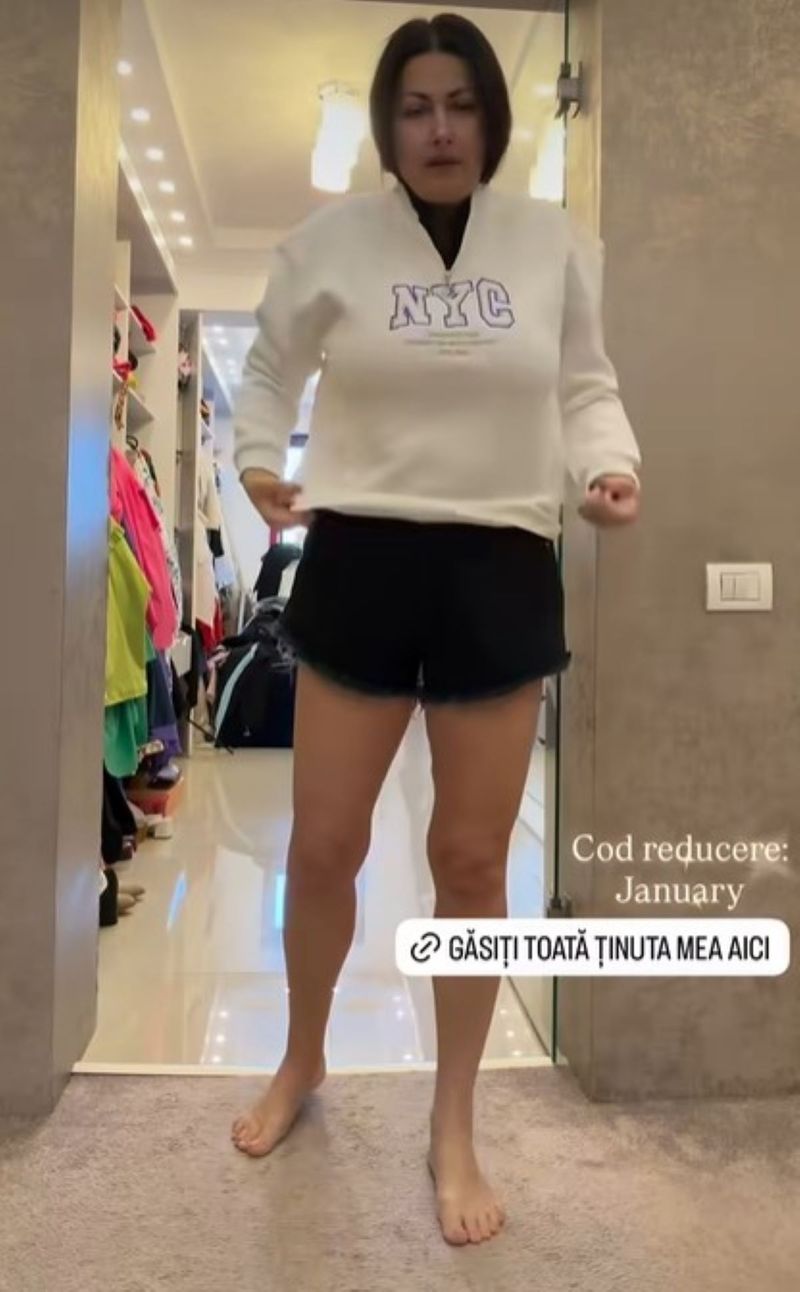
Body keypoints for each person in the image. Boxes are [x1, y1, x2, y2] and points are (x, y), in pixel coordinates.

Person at [230, 12, 641, 1246]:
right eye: (414, 107)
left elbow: (584, 383)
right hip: (359, 552)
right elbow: (267, 370)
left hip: (499, 561)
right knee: (322, 845)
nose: (440, 129)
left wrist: (606, 466)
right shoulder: (330, 242)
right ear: (387, 122)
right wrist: (257, 460)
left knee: (468, 861)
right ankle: (302, 1054)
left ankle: (451, 1117)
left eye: (460, 104)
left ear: (491, 119)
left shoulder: (551, 243)